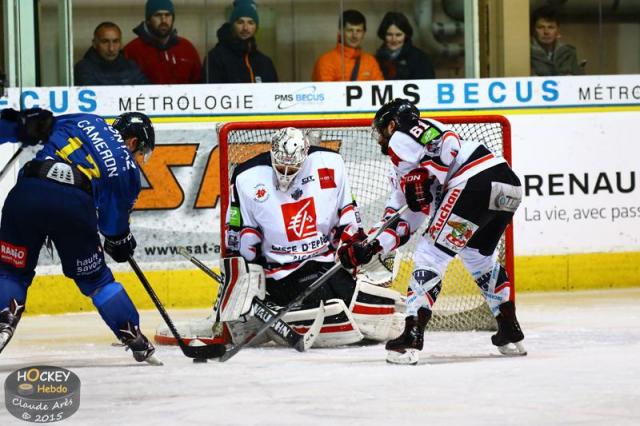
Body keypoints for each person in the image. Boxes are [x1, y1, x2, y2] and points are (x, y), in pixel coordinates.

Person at [156, 128, 404, 348]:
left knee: (375, 309)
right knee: (334, 309)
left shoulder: (330, 163)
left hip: (325, 266)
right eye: (281, 167)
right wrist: (246, 284)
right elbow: (241, 240)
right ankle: (263, 312)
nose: (286, 173)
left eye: (292, 167)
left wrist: (353, 249)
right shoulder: (246, 178)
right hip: (282, 276)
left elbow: (348, 217)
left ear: (304, 157)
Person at [337, 99, 526, 365]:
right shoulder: (403, 166)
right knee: (478, 258)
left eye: (381, 129)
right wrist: (371, 246)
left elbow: (446, 141)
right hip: (506, 187)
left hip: (473, 181)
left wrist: (425, 174)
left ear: (391, 124)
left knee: (429, 256)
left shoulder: (403, 134)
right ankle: (509, 329)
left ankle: (411, 339)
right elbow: (405, 220)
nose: (380, 137)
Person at [0, 107, 161, 365]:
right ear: (133, 142)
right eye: (140, 151)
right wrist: (121, 242)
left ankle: (4, 321)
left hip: (27, 192)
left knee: (10, 271)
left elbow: (32, 127)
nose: (138, 157)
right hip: (72, 206)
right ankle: (136, 340)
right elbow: (112, 227)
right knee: (97, 281)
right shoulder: (128, 171)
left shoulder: (87, 119)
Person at [124, 0, 201, 84]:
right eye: (158, 15)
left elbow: (200, 85)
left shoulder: (187, 49)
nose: (163, 20)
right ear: (148, 20)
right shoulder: (132, 50)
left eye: (167, 15)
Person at [202, 0, 278, 83]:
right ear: (232, 25)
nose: (245, 28)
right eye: (240, 22)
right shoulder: (215, 58)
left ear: (256, 27)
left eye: (251, 23)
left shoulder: (265, 63)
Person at [312, 9, 383, 82]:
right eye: (350, 30)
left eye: (358, 31)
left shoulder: (370, 61)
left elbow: (381, 90)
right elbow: (326, 92)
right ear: (340, 32)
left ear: (364, 33)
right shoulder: (326, 62)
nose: (354, 35)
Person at [74, 22, 149, 86]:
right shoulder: (84, 68)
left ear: (121, 43)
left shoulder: (131, 66)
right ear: (94, 44)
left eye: (115, 41)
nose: (111, 48)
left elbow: (147, 93)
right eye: (105, 42)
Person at [375, 12, 435, 80]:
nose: (394, 39)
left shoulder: (421, 59)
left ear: (406, 35)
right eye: (389, 34)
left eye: (398, 35)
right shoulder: (376, 60)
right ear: (383, 35)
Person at [530, 6, 584, 76]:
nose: (546, 32)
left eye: (551, 27)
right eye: (540, 27)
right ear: (533, 30)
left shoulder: (568, 52)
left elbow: (580, 81)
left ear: (557, 30)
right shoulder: (527, 53)